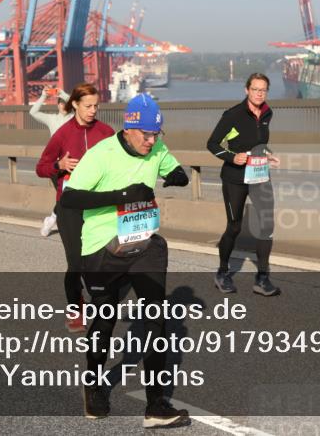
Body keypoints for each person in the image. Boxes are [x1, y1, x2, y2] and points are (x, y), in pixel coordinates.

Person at [60, 93, 191, 426]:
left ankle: (156, 406)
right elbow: (70, 199)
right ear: (129, 128)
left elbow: (171, 166)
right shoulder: (101, 154)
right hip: (102, 248)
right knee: (105, 318)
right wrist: (122, 196)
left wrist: (178, 174)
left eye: (156, 134)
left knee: (156, 318)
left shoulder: (156, 148)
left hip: (142, 244)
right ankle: (93, 385)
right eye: (145, 135)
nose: (151, 141)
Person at [35, 83, 115, 333]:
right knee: (77, 262)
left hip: (99, 206)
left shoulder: (106, 132)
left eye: (96, 106)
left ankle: (100, 300)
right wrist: (58, 166)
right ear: (76, 105)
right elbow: (41, 167)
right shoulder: (63, 133)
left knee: (101, 260)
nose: (93, 111)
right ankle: (76, 306)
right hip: (69, 207)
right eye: (88, 106)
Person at [206, 73, 281, 296]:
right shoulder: (233, 115)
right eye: (255, 89)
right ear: (247, 90)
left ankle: (262, 278)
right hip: (235, 178)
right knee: (235, 227)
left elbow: (258, 143)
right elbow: (212, 144)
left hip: (260, 175)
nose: (259, 93)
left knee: (266, 226)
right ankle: (222, 272)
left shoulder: (267, 113)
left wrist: (267, 154)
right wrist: (232, 157)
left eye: (263, 90)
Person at [30, 87, 73, 236]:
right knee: (64, 195)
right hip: (56, 165)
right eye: (61, 103)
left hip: (72, 163)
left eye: (65, 103)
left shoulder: (73, 118)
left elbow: (76, 103)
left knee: (68, 194)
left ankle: (53, 219)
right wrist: (43, 96)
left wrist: (62, 93)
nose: (63, 106)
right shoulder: (52, 119)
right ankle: (52, 219)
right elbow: (33, 112)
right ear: (57, 105)